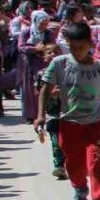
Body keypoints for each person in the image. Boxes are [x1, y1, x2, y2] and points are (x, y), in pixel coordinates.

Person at [36, 23, 100, 200]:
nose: (77, 51)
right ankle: (80, 193)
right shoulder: (59, 64)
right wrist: (40, 116)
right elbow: (45, 89)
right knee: (75, 164)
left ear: (90, 43)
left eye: (82, 47)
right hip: (70, 124)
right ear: (67, 44)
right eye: (73, 47)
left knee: (95, 164)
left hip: (96, 124)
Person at [34, 43, 66, 180]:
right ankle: (59, 166)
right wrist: (51, 93)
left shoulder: (67, 71)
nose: (53, 54)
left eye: (56, 52)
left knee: (69, 141)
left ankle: (73, 164)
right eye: (49, 52)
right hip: (52, 113)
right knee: (55, 141)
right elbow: (38, 92)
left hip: (68, 112)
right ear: (44, 57)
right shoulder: (41, 74)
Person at [18, 9, 55, 122]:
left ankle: (41, 113)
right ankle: (30, 115)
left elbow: (52, 45)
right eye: (41, 23)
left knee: (41, 88)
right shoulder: (26, 32)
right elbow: (21, 47)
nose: (44, 26)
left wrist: (48, 51)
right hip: (28, 63)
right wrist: (35, 49)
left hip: (42, 63)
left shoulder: (48, 33)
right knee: (29, 90)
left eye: (45, 24)